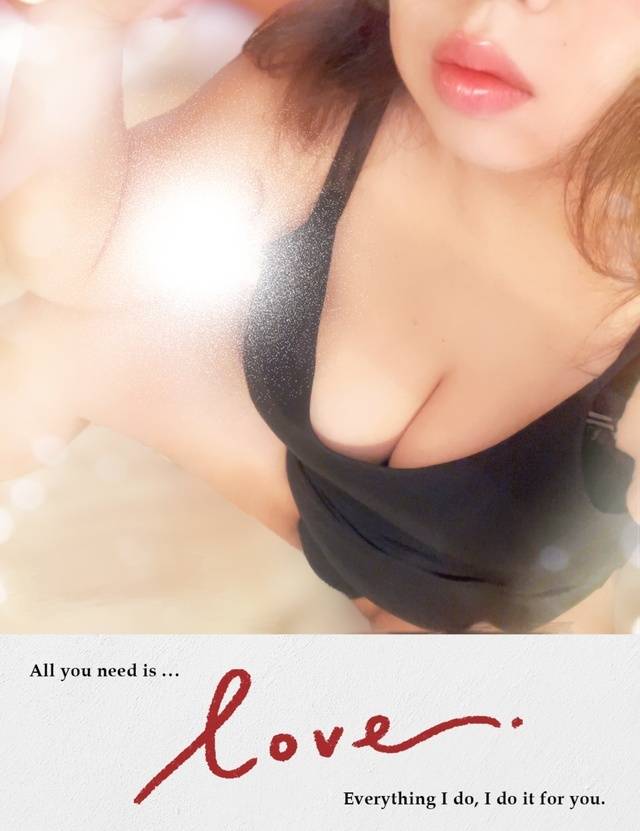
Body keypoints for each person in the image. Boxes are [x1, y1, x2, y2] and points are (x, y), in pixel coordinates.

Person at [1, 0, 640, 633]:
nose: (486, 11)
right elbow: (79, 250)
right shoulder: (334, 75)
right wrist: (79, 26)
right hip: (309, 504)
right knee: (50, 340)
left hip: (507, 626)